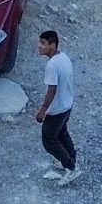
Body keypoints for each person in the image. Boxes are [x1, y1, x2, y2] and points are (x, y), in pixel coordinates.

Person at [34, 30, 77, 184]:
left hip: (56, 109)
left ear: (52, 45)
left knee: (49, 141)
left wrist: (42, 111)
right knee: (62, 133)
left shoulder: (52, 65)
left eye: (43, 43)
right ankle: (70, 158)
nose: (39, 46)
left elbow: (51, 90)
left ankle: (71, 167)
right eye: (40, 42)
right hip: (67, 105)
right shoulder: (63, 57)